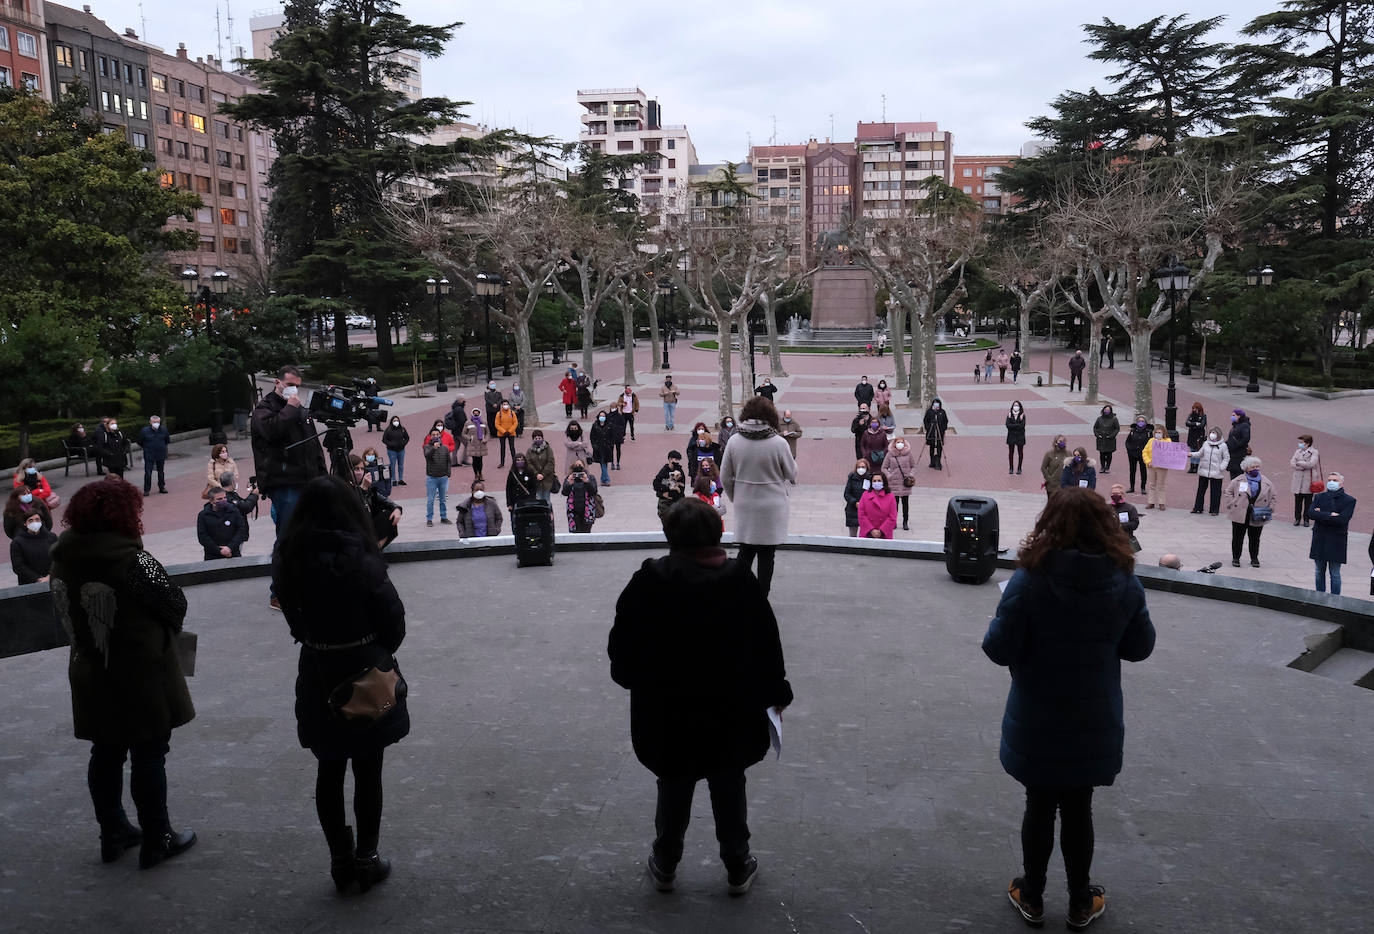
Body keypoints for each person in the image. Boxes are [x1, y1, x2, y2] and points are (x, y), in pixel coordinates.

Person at [983, 487, 1155, 932]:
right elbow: (1140, 648)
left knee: (1038, 804)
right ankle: (1082, 900)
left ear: (1049, 523)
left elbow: (998, 649)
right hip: (1093, 717)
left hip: (1038, 714)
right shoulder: (1124, 581)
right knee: (1080, 806)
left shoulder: (1029, 580)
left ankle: (1033, 895)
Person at [609, 497, 792, 897]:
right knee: (729, 783)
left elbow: (622, 648)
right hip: (731, 713)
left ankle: (666, 861)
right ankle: (737, 863)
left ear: (669, 536)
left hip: (667, 713)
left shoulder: (649, 581)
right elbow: (766, 645)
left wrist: (634, 680)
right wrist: (777, 693)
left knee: (673, 783)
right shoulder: (741, 581)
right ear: (719, 533)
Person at [49, 478, 198, 869]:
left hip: (90, 669)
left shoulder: (61, 558)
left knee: (106, 751)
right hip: (139, 673)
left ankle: (112, 831)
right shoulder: (134, 561)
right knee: (149, 753)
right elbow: (175, 606)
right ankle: (157, 838)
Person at [272, 475, 409, 894]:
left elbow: (289, 613)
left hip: (317, 667)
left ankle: (339, 859)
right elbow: (394, 619)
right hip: (363, 666)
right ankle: (367, 857)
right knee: (369, 769)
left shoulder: (288, 557)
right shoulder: (362, 558)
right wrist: (373, 650)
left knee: (328, 768)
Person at [250, 365, 328, 608]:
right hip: (283, 483)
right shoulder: (265, 409)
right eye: (290, 383)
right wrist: (291, 408)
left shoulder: (301, 411)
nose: (294, 388)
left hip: (307, 481)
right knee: (288, 536)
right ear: (278, 382)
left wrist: (322, 477)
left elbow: (313, 446)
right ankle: (279, 593)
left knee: (311, 535)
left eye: (297, 384)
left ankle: (307, 584)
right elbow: (272, 432)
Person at [719, 398, 796, 596]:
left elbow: (724, 476)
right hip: (772, 504)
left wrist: (737, 496)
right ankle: (762, 596)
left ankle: (742, 593)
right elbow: (791, 473)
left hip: (745, 502)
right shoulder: (778, 442)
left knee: (745, 552)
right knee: (767, 554)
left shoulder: (735, 441)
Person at [1224, 456, 1277, 568]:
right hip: (1240, 512)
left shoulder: (1266, 481)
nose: (1256, 469)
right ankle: (1236, 558)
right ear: (1246, 468)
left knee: (1255, 538)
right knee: (1237, 537)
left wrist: (1270, 508)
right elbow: (1228, 492)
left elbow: (1273, 496)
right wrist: (1232, 503)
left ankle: (1254, 558)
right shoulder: (1238, 480)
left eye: (1257, 466)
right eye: (1253, 467)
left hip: (1258, 513)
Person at [1308, 472, 1356, 595]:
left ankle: (1335, 599)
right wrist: (1330, 514)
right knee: (1319, 571)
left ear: (1341, 483)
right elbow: (1311, 514)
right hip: (1320, 538)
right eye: (1329, 480)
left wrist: (1321, 514)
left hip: (1336, 541)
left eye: (1335, 480)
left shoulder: (1349, 500)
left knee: (1335, 573)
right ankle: (1319, 596)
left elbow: (1342, 520)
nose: (1331, 482)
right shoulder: (1319, 497)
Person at [348, 455, 402, 549]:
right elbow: (356, 510)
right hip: (353, 530)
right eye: (356, 469)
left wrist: (397, 509)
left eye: (362, 469)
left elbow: (386, 502)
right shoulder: (343, 487)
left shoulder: (369, 488)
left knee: (388, 516)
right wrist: (363, 489)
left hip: (368, 527)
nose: (360, 472)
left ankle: (374, 552)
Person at [197, 487, 249, 560]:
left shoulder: (234, 511)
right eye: (219, 499)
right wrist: (219, 550)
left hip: (233, 553)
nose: (223, 500)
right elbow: (203, 536)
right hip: (212, 556)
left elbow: (241, 530)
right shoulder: (203, 515)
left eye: (225, 498)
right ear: (211, 501)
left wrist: (229, 548)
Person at [11, 505, 57, 584]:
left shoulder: (52, 537)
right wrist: (38, 579)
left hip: (53, 579)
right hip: (30, 584)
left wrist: (51, 575)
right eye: (30, 520)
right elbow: (18, 566)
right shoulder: (17, 542)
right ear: (25, 523)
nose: (34, 522)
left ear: (41, 521)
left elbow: (59, 558)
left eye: (37, 519)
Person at [1190, 428, 1230, 516]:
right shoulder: (1206, 443)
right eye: (1211, 432)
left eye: (1214, 433)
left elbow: (1226, 458)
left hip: (1216, 472)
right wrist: (1191, 454)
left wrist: (1222, 467)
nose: (1212, 434)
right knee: (1201, 490)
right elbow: (1200, 453)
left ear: (1218, 435)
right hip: (1204, 470)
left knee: (1215, 492)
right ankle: (1198, 507)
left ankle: (1214, 510)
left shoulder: (1223, 446)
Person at [881, 436, 917, 531]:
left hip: (905, 482)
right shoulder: (890, 454)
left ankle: (905, 521)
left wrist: (911, 475)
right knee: (894, 504)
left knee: (905, 503)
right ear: (894, 444)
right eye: (898, 442)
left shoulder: (909, 454)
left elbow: (913, 466)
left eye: (901, 442)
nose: (899, 444)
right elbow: (884, 467)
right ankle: (894, 521)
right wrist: (889, 475)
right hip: (894, 482)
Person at [423, 425, 453, 527]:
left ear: (440, 435)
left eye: (437, 434)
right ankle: (429, 519)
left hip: (443, 478)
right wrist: (434, 448)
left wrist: (448, 473)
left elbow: (449, 461)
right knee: (430, 500)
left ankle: (443, 517)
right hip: (432, 478)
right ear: (430, 436)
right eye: (433, 435)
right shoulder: (427, 447)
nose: (435, 436)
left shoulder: (445, 448)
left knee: (443, 499)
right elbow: (427, 455)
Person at [1290, 434, 1320, 526]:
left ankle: (1306, 520)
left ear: (1307, 443)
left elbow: (1311, 464)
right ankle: (1297, 519)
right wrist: (1301, 466)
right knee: (1297, 502)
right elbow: (1292, 463)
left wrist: (1299, 463)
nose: (1300, 444)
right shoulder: (1298, 451)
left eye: (1301, 442)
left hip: (1308, 480)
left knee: (1308, 502)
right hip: (1298, 479)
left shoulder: (1314, 452)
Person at [857, 470, 898, 539]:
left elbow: (892, 516)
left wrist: (881, 531)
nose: (877, 482)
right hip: (867, 534)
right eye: (874, 481)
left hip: (884, 535)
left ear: (884, 482)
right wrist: (871, 530)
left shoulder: (891, 497)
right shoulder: (865, 495)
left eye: (879, 480)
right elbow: (861, 515)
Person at [561, 461, 599, 532]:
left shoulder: (590, 477)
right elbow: (564, 493)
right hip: (573, 511)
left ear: (584, 467)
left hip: (587, 510)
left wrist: (587, 481)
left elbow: (594, 492)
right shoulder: (569, 478)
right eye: (576, 465)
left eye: (580, 465)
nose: (578, 466)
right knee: (575, 532)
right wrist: (569, 483)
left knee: (586, 532)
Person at [139, 415, 171, 496]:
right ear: (150, 422)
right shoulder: (145, 431)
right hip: (149, 454)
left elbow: (167, 440)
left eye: (157, 422)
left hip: (160, 454)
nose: (156, 423)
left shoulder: (164, 430)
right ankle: (147, 490)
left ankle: (162, 487)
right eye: (154, 422)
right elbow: (140, 441)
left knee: (161, 472)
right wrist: (147, 448)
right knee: (148, 473)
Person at [652, 451, 688, 523]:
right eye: (675, 459)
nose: (677, 462)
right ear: (670, 459)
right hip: (664, 502)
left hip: (676, 501)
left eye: (678, 460)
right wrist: (663, 493)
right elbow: (656, 484)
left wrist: (670, 491)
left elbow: (681, 488)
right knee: (666, 522)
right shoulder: (664, 471)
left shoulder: (679, 471)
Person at [1142, 426, 1171, 510]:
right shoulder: (1151, 441)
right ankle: (1151, 502)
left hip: (1161, 466)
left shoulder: (1167, 441)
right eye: (1156, 432)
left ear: (1164, 433)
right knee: (1152, 484)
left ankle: (1161, 503)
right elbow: (1145, 451)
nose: (1158, 434)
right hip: (1151, 466)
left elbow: (1169, 453)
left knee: (1161, 484)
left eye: (1160, 432)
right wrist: (1148, 461)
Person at [525, 429, 557, 505]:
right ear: (533, 439)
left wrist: (543, 474)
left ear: (542, 438)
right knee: (538, 501)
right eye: (536, 438)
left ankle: (549, 515)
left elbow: (551, 462)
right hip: (535, 480)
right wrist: (536, 474)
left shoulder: (548, 449)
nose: (538, 440)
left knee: (547, 501)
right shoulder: (529, 451)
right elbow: (528, 463)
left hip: (547, 479)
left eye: (539, 438)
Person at [1123, 415, 1152, 495]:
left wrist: (1147, 452)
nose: (1140, 423)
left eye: (1142, 421)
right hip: (1132, 454)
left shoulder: (1148, 432)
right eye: (1139, 421)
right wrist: (1129, 449)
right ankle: (1132, 487)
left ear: (1145, 422)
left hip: (1143, 455)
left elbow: (1151, 443)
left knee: (1143, 471)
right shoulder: (1133, 431)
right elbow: (1127, 441)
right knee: (1132, 471)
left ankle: (1143, 487)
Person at [1109, 483, 1141, 552]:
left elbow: (1135, 524)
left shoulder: (1130, 508)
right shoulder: (1107, 508)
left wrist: (1119, 526)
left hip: (1125, 540)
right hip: (1110, 541)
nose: (1115, 495)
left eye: (1117, 493)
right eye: (1113, 493)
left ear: (1123, 495)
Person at [843, 460, 869, 537]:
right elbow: (846, 494)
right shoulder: (852, 478)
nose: (861, 469)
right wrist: (854, 502)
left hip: (866, 509)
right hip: (852, 509)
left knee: (865, 534)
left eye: (863, 467)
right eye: (859, 467)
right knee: (852, 534)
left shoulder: (869, 479)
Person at [460, 409, 487, 483]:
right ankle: (476, 474)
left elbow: (488, 433)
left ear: (479, 413)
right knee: (474, 460)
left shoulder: (483, 422)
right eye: (474, 413)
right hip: (472, 444)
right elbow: (463, 433)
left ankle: (480, 473)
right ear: (472, 414)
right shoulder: (468, 423)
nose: (476, 414)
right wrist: (469, 438)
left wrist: (485, 439)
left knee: (480, 460)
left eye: (477, 413)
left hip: (481, 444)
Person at [590, 410, 616, 485]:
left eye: (603, 416)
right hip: (598, 447)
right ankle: (606, 480)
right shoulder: (595, 425)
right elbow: (592, 436)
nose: (602, 417)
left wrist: (610, 444)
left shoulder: (609, 425)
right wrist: (594, 445)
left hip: (607, 448)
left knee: (604, 463)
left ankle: (604, 479)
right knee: (602, 463)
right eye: (601, 416)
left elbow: (612, 436)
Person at [922, 397, 949, 470]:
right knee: (932, 447)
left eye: (937, 403)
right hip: (931, 433)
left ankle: (938, 461)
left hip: (940, 433)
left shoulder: (942, 412)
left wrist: (943, 429)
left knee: (939, 447)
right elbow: (925, 420)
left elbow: (945, 421)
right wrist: (928, 427)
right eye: (935, 403)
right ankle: (932, 461)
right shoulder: (929, 411)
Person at [563, 422, 593, 487]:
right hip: (571, 458)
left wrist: (573, 445)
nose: (574, 430)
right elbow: (567, 444)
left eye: (575, 428)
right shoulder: (566, 434)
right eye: (572, 428)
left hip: (582, 457)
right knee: (570, 473)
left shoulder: (582, 434)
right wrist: (579, 443)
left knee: (583, 472)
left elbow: (585, 444)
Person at [382, 417, 410, 487]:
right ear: (391, 421)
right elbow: (384, 439)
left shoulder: (402, 429)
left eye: (397, 420)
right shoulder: (388, 430)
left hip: (401, 450)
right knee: (392, 465)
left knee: (401, 465)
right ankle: (393, 480)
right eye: (394, 420)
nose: (396, 422)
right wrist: (390, 444)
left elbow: (407, 437)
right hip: (391, 451)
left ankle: (400, 479)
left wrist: (404, 444)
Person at [1092, 406, 1119, 475]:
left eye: (1108, 410)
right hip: (1101, 439)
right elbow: (1095, 428)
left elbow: (1117, 429)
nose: (1106, 411)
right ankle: (1102, 466)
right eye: (1105, 410)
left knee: (1109, 453)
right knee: (1102, 453)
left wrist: (1111, 436)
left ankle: (1107, 467)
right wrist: (1098, 435)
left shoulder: (1114, 419)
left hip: (1110, 440)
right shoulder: (1099, 419)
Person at [1225, 409, 1251, 479]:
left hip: (1239, 454)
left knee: (1238, 473)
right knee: (1233, 472)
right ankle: (1234, 487)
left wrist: (1235, 445)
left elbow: (1246, 439)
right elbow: (1231, 438)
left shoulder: (1244, 425)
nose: (1232, 417)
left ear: (1239, 416)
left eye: (1234, 415)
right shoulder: (1235, 425)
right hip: (1232, 454)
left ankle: (1237, 488)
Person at [1040, 435, 1069, 500]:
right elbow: (1043, 467)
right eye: (1060, 441)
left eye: (1064, 441)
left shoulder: (1068, 453)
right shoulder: (1049, 454)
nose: (1063, 442)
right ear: (1056, 442)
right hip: (1052, 486)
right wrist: (1049, 478)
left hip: (1065, 486)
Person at [494, 401, 519, 469]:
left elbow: (515, 423)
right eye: (504, 404)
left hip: (511, 433)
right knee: (502, 448)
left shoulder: (512, 413)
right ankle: (502, 462)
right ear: (501, 405)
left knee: (512, 448)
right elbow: (497, 424)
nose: (505, 405)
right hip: (502, 434)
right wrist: (504, 431)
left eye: (506, 404)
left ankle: (515, 462)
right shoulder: (499, 414)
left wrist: (510, 431)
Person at [1184, 403, 1207, 473]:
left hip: (1199, 435)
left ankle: (1196, 466)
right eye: (1193, 408)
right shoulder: (1191, 415)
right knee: (1191, 450)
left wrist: (1193, 425)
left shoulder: (1203, 416)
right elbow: (1187, 423)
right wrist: (1195, 424)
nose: (1194, 410)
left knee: (1197, 450)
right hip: (1192, 435)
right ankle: (1192, 465)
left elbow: (1202, 425)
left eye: (1196, 408)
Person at [1006, 402, 1026, 475]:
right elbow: (1008, 425)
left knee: (1020, 452)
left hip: (1020, 437)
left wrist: (1013, 425)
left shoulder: (1022, 415)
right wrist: (1017, 425)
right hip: (1011, 436)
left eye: (1017, 405)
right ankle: (1011, 468)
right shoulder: (1009, 415)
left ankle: (1019, 468)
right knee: (1011, 452)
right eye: (1015, 405)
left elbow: (1022, 426)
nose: (1016, 407)